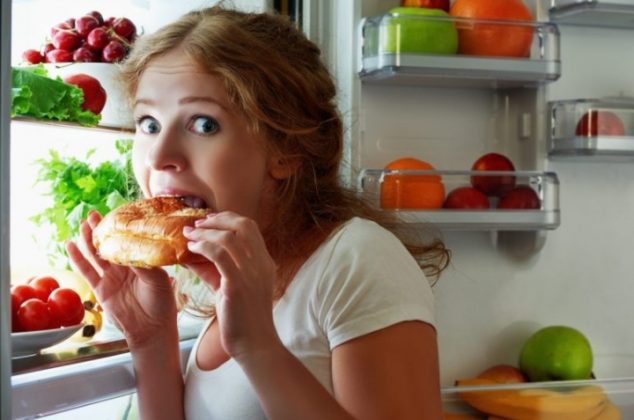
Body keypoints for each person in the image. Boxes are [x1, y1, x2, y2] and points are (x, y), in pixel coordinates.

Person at [66, 5, 450, 420]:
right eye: (149, 123)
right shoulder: (217, 279)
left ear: (285, 149)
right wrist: (150, 338)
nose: (159, 155)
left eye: (203, 124)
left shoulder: (358, 259)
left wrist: (258, 347)